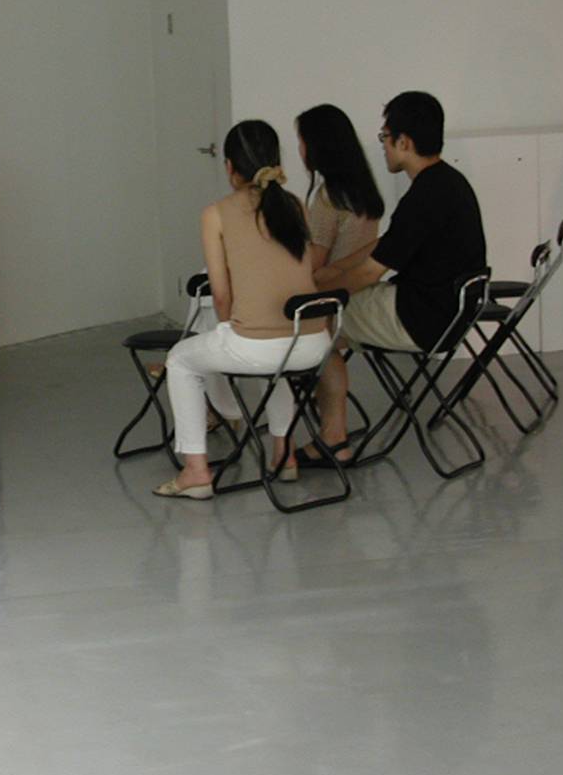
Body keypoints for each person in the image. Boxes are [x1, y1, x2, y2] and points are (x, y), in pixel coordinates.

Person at [155, 120, 332, 499]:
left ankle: (196, 471)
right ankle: (285, 454)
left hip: (259, 345)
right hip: (313, 341)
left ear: (230, 167)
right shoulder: (294, 205)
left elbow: (221, 296)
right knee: (278, 361)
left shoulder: (216, 214)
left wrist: (230, 331)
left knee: (180, 361)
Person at [307, 90, 486, 463]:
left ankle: (332, 438)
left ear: (404, 142)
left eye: (385, 137)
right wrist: (334, 271)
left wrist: (321, 292)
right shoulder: (448, 182)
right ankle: (330, 430)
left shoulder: (424, 196)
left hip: (421, 318)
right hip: (449, 314)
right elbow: (387, 245)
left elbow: (372, 271)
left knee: (317, 323)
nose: (383, 146)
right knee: (327, 311)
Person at [297, 103, 384, 271]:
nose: (300, 149)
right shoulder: (363, 188)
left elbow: (314, 262)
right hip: (361, 284)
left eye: (302, 142)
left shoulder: (329, 197)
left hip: (334, 285)